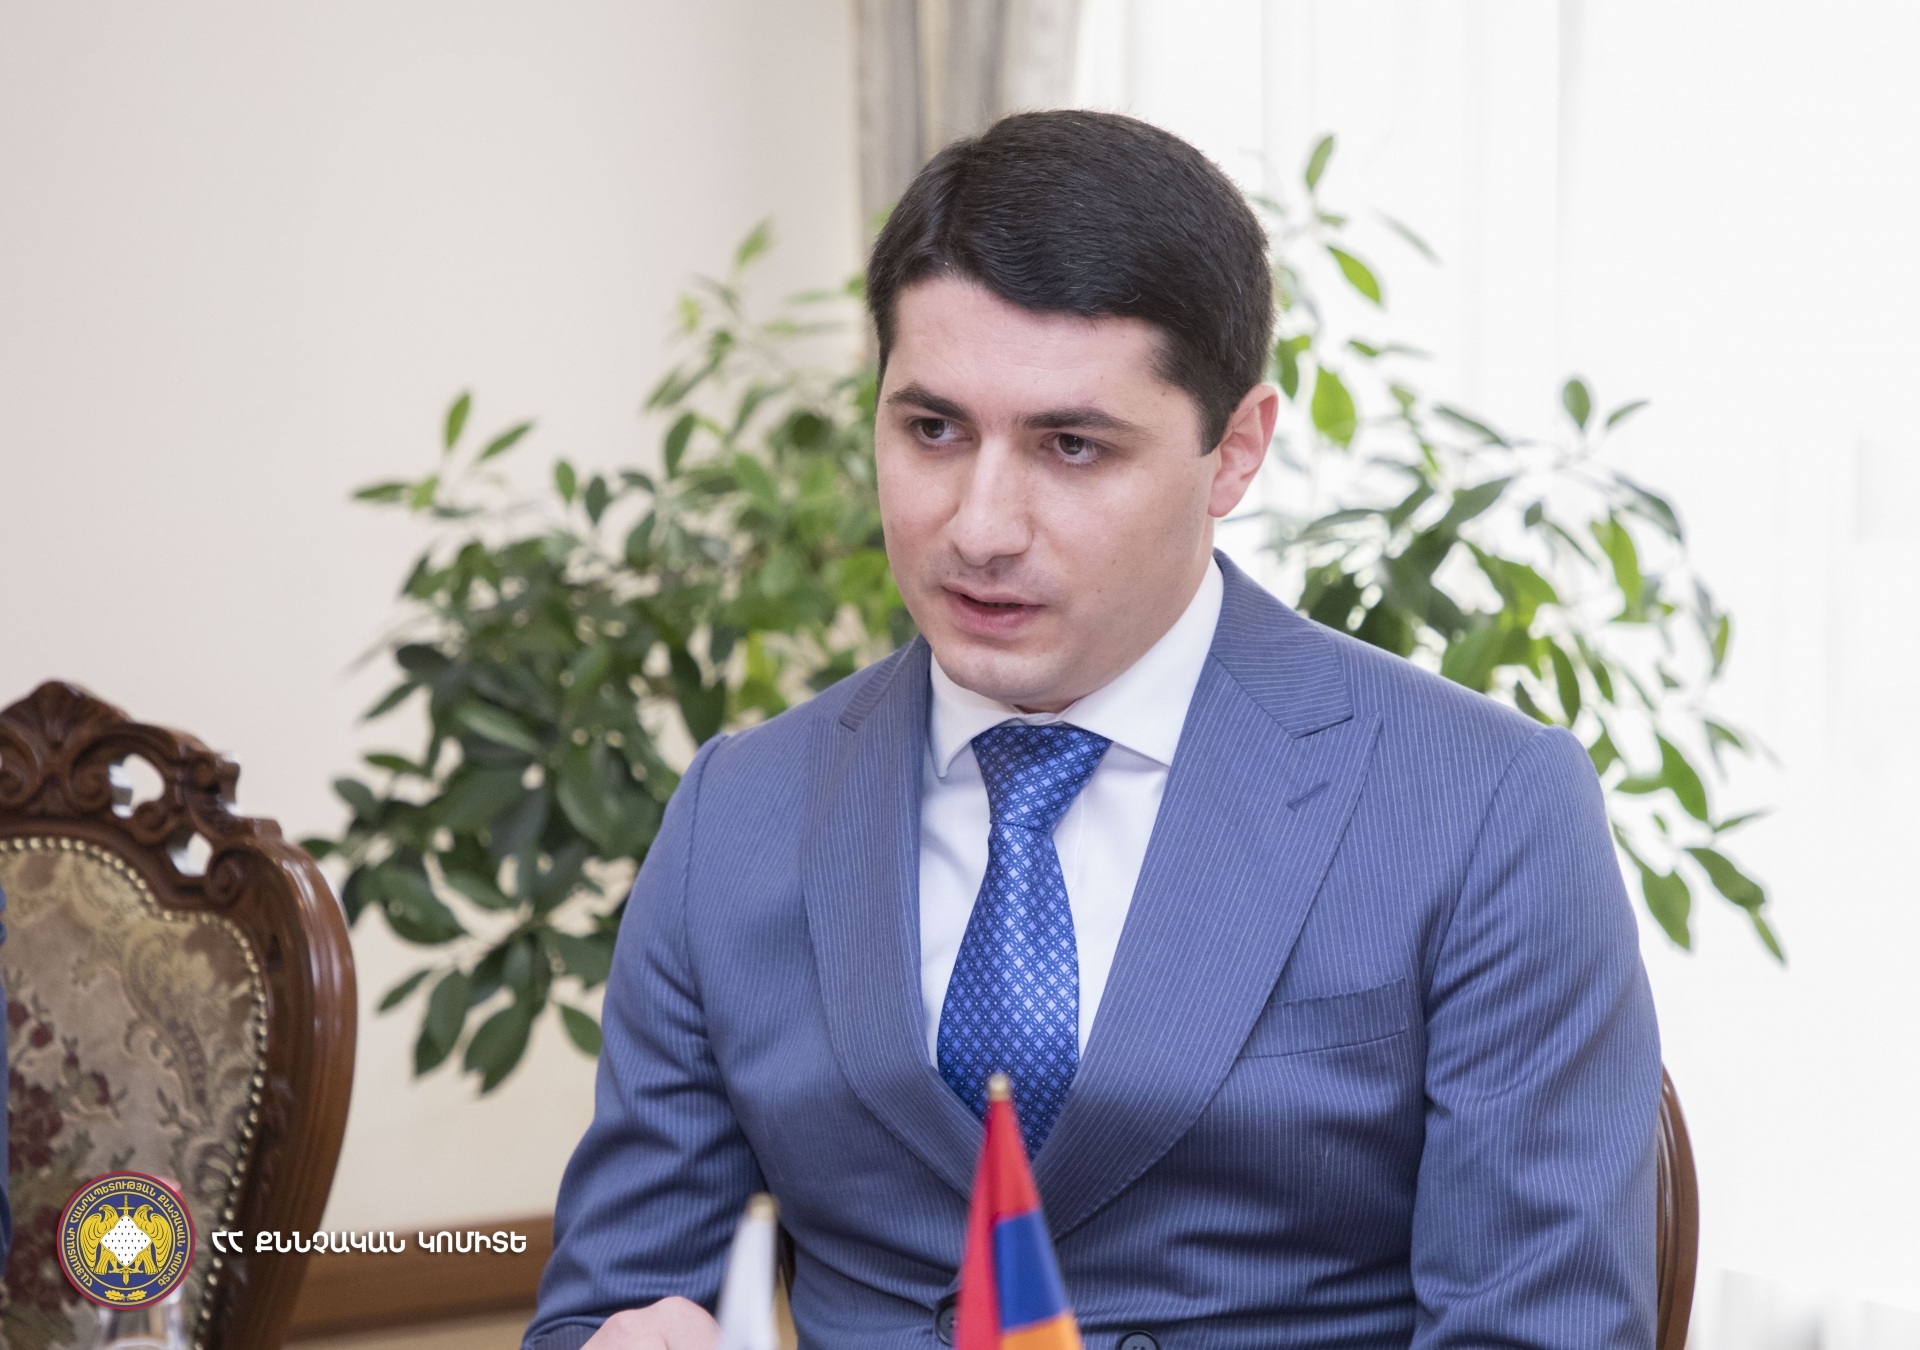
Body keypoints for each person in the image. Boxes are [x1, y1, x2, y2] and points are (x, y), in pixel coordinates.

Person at [524, 110, 1660, 1350]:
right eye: (932, 430)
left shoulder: (1484, 805)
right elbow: (607, 1300)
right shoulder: (736, 812)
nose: (980, 528)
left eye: (1071, 446)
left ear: (1236, 452)